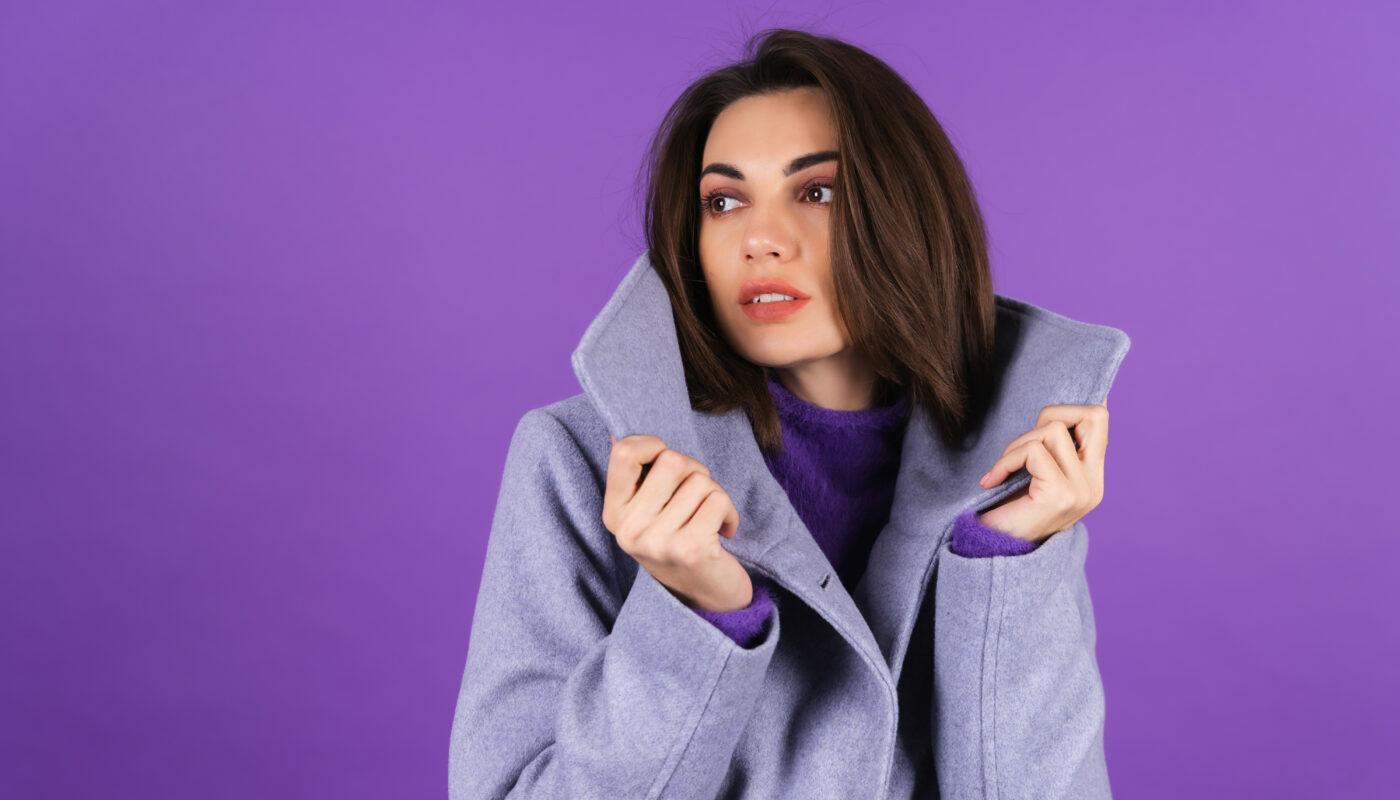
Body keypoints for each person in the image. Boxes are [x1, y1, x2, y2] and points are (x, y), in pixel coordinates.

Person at [449, 27, 1128, 800]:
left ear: (909, 215)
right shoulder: (580, 463)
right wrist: (692, 615)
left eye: (817, 192)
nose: (760, 239)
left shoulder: (1010, 473)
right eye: (724, 201)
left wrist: (1006, 561)